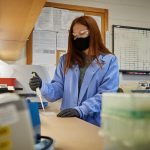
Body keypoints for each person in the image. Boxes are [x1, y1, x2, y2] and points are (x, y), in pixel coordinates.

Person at [29, 16, 119, 127]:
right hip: (69, 120)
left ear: (93, 34)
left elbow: (106, 95)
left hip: (94, 123)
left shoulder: (109, 60)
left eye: (82, 33)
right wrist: (42, 86)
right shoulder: (65, 60)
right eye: (75, 35)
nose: (78, 38)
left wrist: (81, 110)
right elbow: (57, 89)